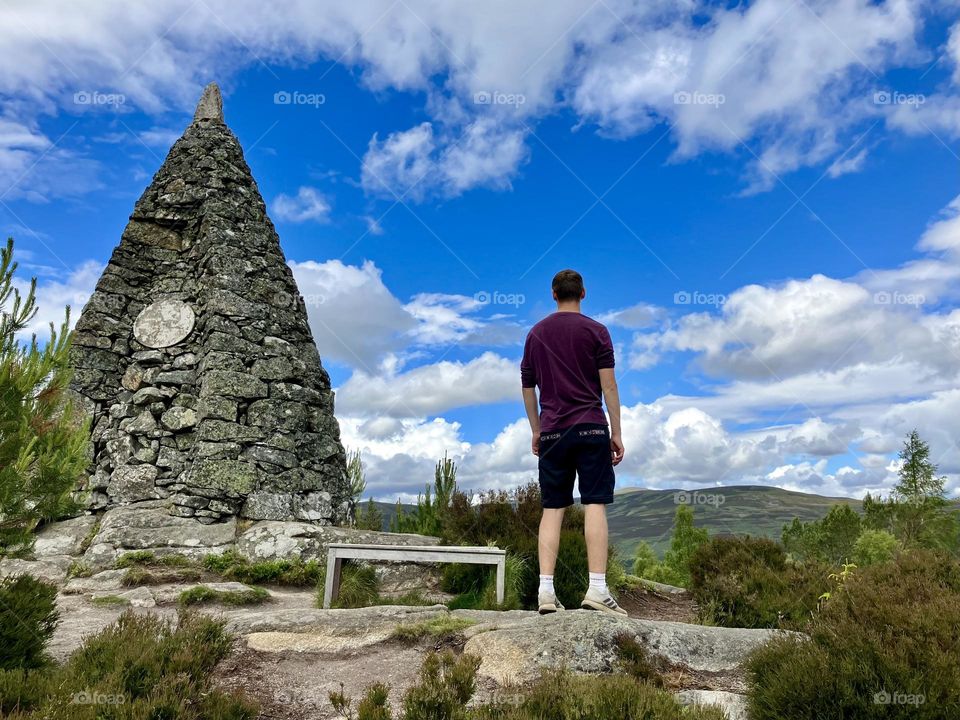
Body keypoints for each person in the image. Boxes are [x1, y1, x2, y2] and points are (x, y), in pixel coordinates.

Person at [521, 269, 626, 616]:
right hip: (591, 428)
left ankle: (545, 592)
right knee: (594, 504)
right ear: (583, 292)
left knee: (552, 509)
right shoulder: (597, 331)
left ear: (553, 294)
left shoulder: (536, 334)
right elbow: (609, 386)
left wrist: (537, 429)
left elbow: (528, 388)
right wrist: (616, 431)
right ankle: (597, 589)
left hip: (552, 432)